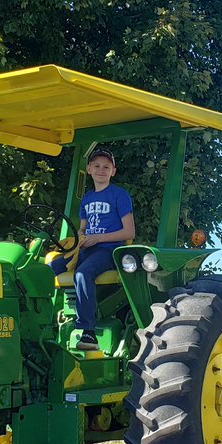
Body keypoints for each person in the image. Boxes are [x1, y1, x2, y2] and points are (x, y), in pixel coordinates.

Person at [50, 148, 135, 350]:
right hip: (86, 249)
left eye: (106, 167)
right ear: (89, 169)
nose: (101, 170)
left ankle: (88, 334)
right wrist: (77, 240)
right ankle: (44, 324)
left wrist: (98, 238)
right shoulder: (87, 198)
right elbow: (82, 228)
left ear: (113, 171)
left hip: (109, 251)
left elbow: (129, 232)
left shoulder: (119, 195)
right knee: (47, 270)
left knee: (82, 274)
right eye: (96, 166)